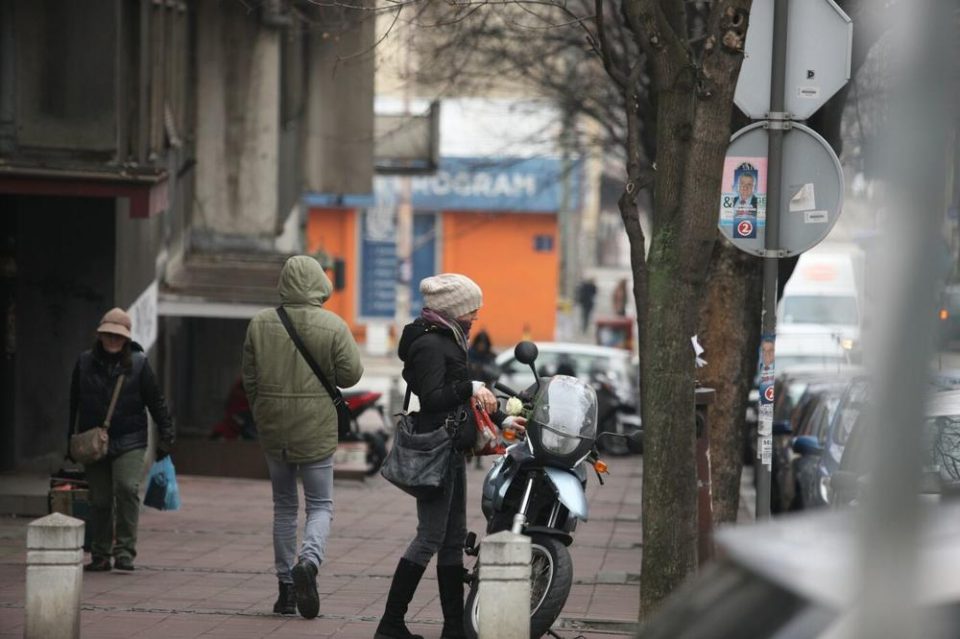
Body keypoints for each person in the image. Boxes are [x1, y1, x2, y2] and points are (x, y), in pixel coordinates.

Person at [375, 273, 525, 639]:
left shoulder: (449, 339)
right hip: (436, 448)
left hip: (451, 445)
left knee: (453, 537)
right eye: (472, 310)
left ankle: (453, 628)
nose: (476, 317)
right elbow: (434, 398)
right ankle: (390, 624)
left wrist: (504, 417)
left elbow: (461, 401)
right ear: (455, 310)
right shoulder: (431, 344)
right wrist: (470, 385)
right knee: (430, 535)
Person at [242, 255, 363, 618]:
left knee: (283, 506)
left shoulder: (260, 324)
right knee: (320, 504)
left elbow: (250, 379)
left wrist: (263, 413)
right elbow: (351, 375)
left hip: (274, 427)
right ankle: (308, 563)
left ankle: (286, 591)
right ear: (318, 284)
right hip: (315, 428)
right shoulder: (333, 325)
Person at [68, 307, 174, 572]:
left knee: (126, 488)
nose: (113, 340)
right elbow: (73, 403)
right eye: (108, 335)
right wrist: (69, 441)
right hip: (94, 441)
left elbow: (156, 402)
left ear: (126, 339)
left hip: (130, 438)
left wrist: (166, 436)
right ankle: (101, 554)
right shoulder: (84, 362)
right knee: (100, 499)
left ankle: (125, 551)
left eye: (118, 336)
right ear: (100, 335)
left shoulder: (139, 364)